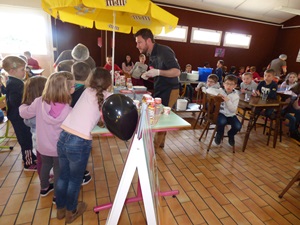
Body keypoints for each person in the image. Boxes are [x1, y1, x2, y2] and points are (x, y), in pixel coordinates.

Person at [55, 68, 112, 223]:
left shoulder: (86, 91)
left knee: (63, 176)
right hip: (79, 142)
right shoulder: (108, 97)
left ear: (90, 80)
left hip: (64, 136)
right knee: (75, 179)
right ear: (109, 82)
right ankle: (71, 211)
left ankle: (60, 209)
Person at [20, 72, 75, 203]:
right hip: (59, 149)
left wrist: (22, 106)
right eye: (72, 86)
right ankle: (57, 196)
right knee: (59, 171)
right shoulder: (69, 110)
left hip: (42, 145)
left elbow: (25, 113)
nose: (74, 87)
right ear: (65, 89)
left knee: (45, 165)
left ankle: (44, 188)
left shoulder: (39, 102)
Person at [135, 28, 180, 149]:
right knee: (156, 116)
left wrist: (158, 72)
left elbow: (176, 72)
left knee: (161, 119)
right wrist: (149, 74)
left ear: (148, 40)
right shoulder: (151, 54)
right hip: (160, 89)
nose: (137, 45)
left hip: (170, 90)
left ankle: (154, 150)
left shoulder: (164, 51)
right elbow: (157, 72)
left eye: (139, 42)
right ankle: (158, 146)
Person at [2, 55, 37, 170]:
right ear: (12, 71)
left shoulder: (13, 81)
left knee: (27, 137)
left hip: (16, 115)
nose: (24, 72)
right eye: (22, 70)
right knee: (25, 139)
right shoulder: (16, 84)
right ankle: (28, 162)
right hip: (18, 116)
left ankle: (30, 157)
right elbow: (15, 100)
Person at [21, 76, 47, 176]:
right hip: (45, 140)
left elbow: (26, 122)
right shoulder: (41, 106)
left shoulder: (27, 107)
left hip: (36, 140)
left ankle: (45, 184)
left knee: (42, 162)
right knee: (49, 162)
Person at [214, 75, 241, 146]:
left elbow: (233, 110)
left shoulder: (236, 96)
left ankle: (231, 134)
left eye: (231, 84)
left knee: (238, 126)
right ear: (223, 84)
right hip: (221, 113)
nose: (229, 86)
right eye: (227, 83)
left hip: (231, 115)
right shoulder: (220, 91)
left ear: (235, 86)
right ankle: (219, 134)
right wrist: (216, 94)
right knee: (222, 121)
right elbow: (208, 90)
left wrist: (227, 101)